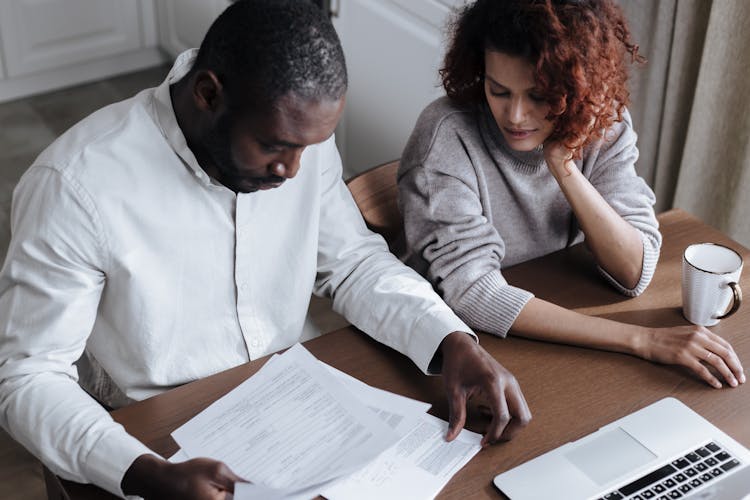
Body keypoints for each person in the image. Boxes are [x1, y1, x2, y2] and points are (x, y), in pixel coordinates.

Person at [0, 1, 531, 498]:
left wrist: (451, 340)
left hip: (292, 403)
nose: (293, 171)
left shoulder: (295, 132)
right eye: (276, 147)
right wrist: (145, 472)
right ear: (208, 94)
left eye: (307, 147)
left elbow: (351, 263)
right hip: (150, 430)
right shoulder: (73, 185)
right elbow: (28, 377)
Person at [398, 0, 745, 392]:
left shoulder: (600, 121)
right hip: (454, 351)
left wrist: (562, 165)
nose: (515, 115)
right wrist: (641, 340)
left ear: (577, 86)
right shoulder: (446, 137)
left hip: (550, 331)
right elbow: (475, 292)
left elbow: (634, 271)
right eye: (498, 91)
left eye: (539, 97)